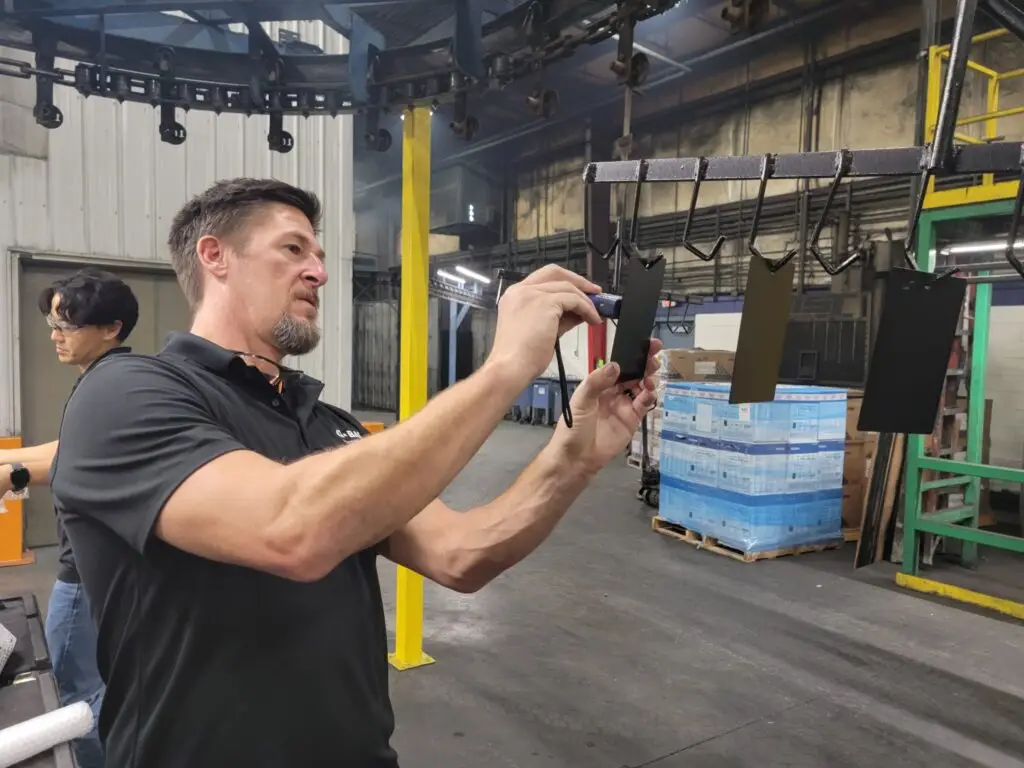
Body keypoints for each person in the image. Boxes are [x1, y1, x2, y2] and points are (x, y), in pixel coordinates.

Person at [49, 177, 662, 768]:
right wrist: (506, 366)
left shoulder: (329, 424)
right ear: (216, 256)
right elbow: (289, 528)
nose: (317, 270)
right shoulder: (127, 392)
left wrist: (573, 457)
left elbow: (462, 553)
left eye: (318, 254)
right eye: (292, 249)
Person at [0, 267, 139, 768]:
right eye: (52, 324)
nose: (55, 337)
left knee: (79, 699)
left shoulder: (110, 386)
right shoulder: (105, 380)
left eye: (68, 325)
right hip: (97, 573)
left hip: (84, 576)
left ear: (111, 328)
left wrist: (13, 474)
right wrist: (7, 468)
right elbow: (67, 449)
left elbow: (76, 461)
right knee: (97, 689)